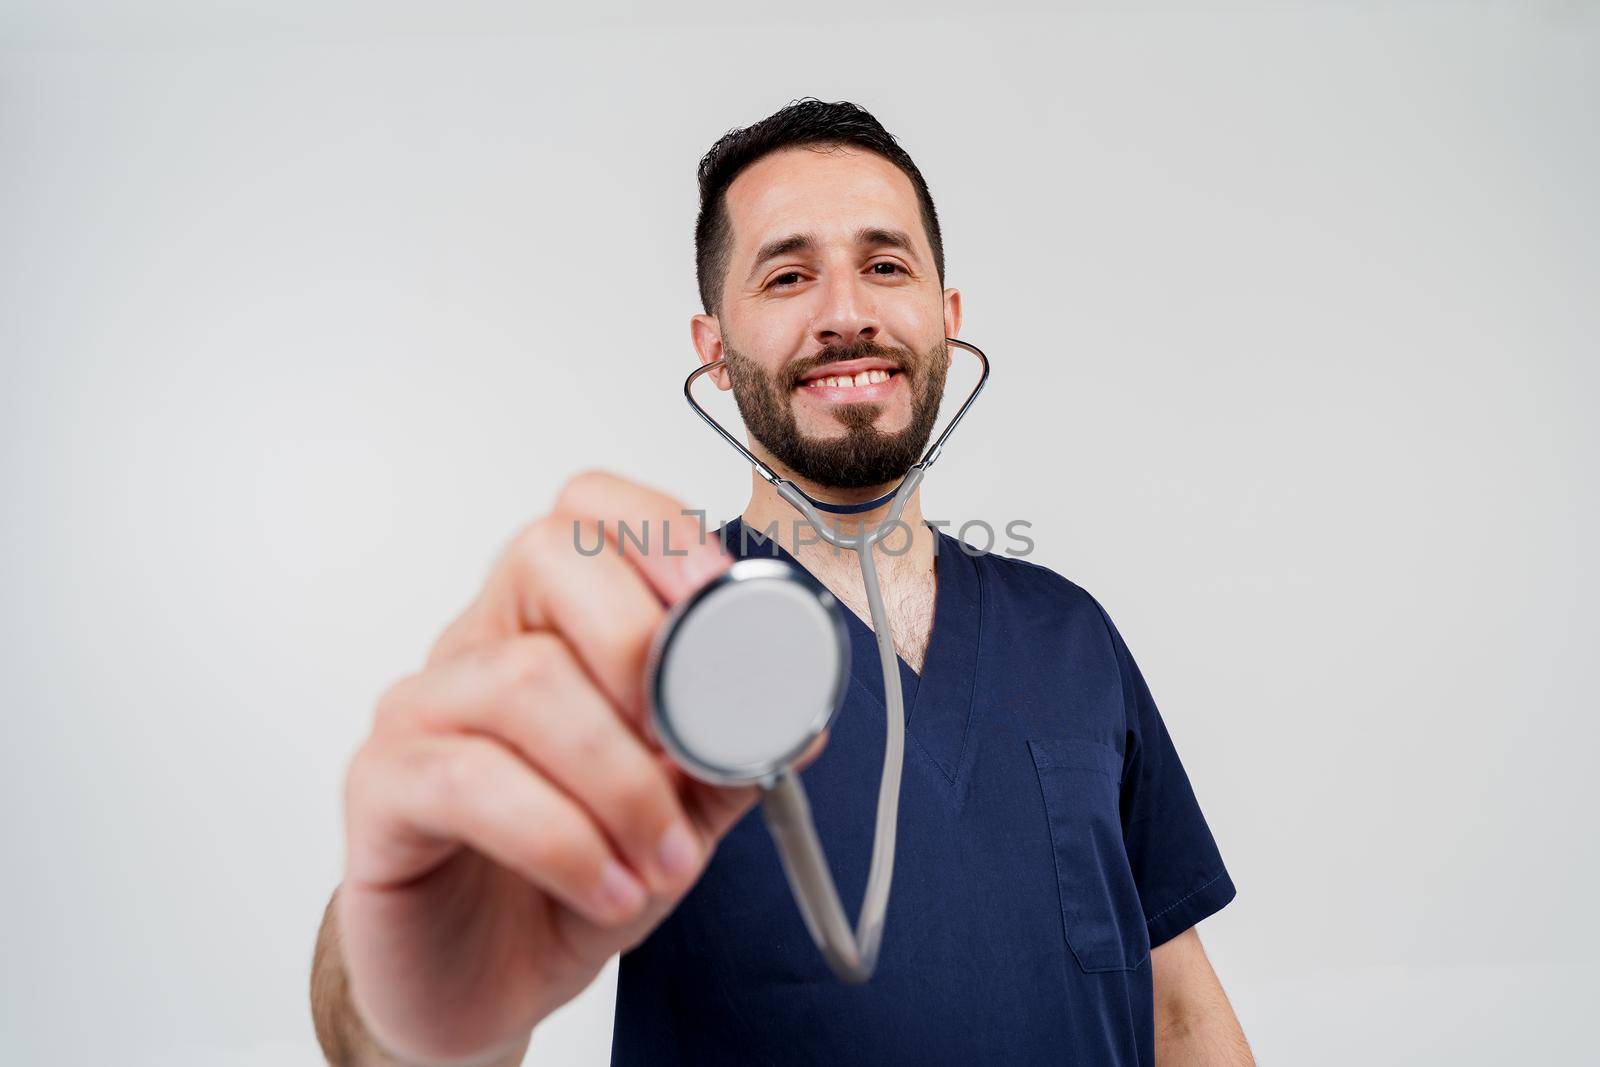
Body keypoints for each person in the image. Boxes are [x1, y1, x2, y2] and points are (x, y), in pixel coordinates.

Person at [310, 98, 1253, 1066]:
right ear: (713, 346)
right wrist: (412, 994)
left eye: (885, 266)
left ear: (945, 316)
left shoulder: (1069, 632)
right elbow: (390, 1037)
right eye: (788, 274)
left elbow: (1179, 1008)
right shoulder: (645, 648)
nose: (844, 313)